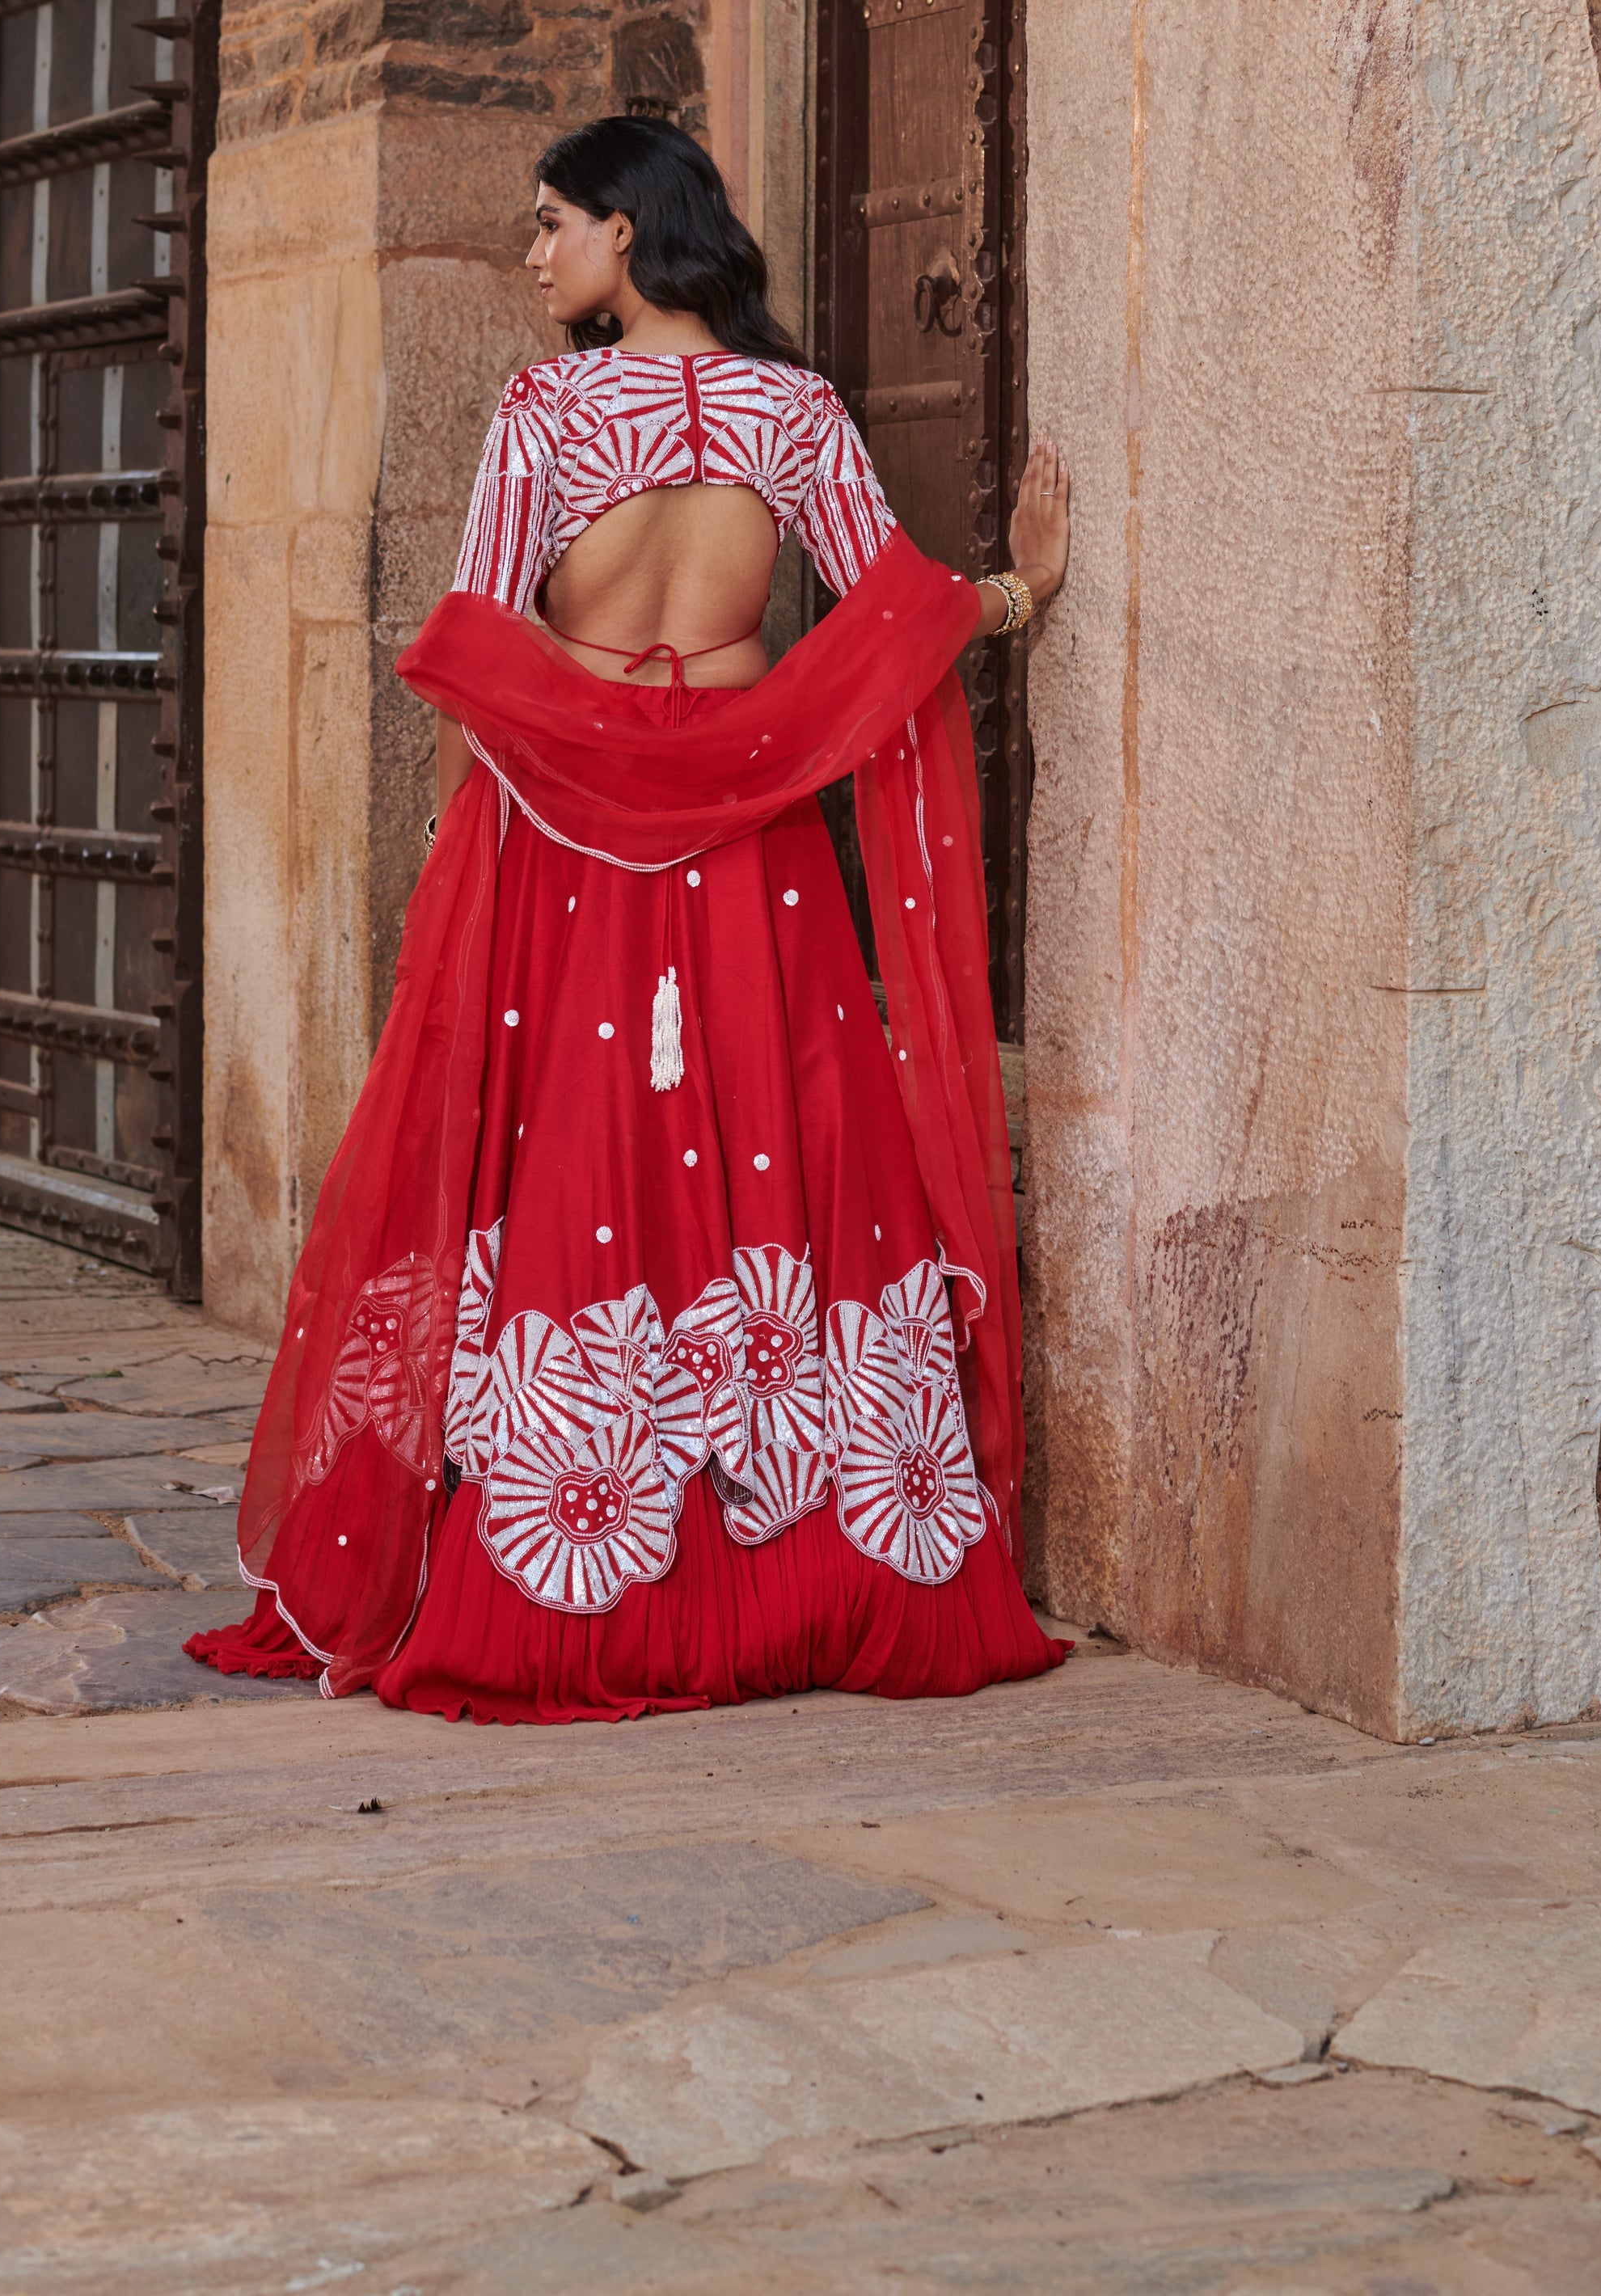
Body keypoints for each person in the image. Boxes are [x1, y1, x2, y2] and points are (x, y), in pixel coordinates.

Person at [188, 113, 1071, 1722]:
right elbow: (896, 619)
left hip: (566, 839)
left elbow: (472, 643)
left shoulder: (543, 412)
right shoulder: (793, 411)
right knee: (780, 1152)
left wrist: (524, 823)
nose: (533, 256)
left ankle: (562, 1561)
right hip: (753, 832)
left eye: (550, 225)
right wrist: (1017, 589)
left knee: (562, 1152)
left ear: (625, 230)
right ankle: (821, 1559)